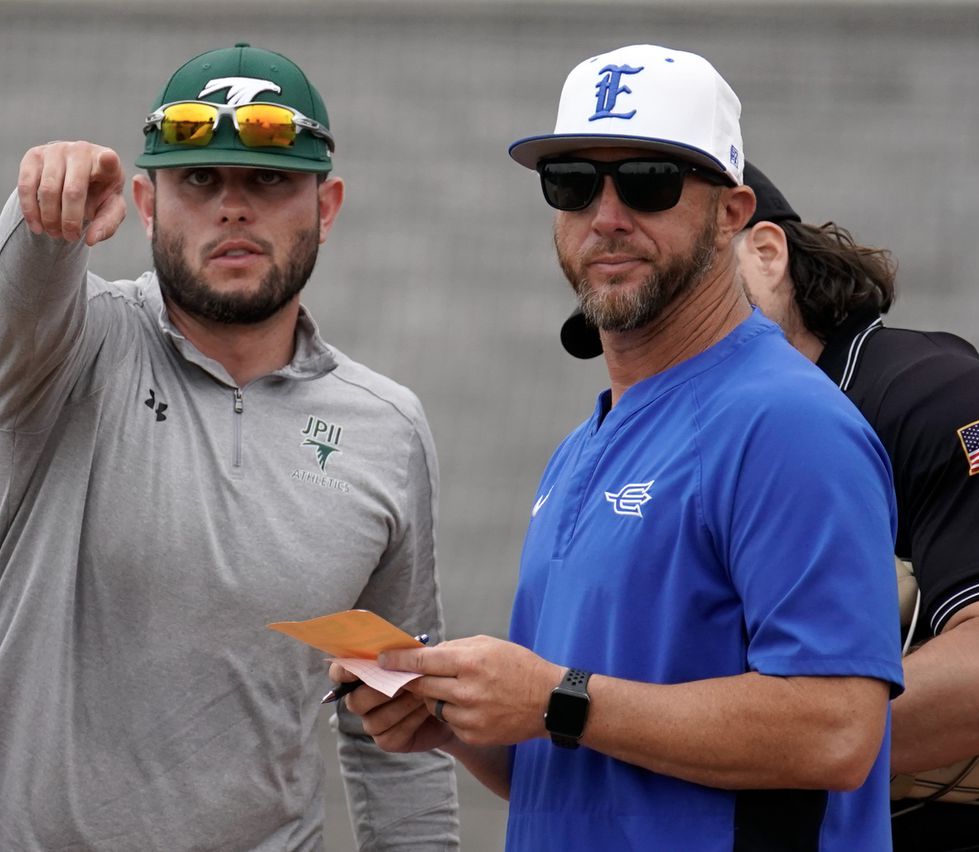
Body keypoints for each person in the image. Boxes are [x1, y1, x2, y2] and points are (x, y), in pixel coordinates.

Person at [334, 44, 904, 851]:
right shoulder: (581, 447)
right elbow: (574, 749)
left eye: (649, 182)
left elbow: (837, 732)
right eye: (572, 183)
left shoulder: (788, 423)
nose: (607, 214)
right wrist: (453, 716)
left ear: (733, 212)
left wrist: (554, 698)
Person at [0, 43, 458, 852]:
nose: (232, 208)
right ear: (145, 202)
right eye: (199, 180)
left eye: (269, 180)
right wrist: (43, 210)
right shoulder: (68, 355)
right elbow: (19, 298)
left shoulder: (386, 426)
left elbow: (399, 720)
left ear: (328, 206)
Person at [563, 163, 979, 852]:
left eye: (681, 299)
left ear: (766, 253)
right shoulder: (645, 445)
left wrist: (749, 741)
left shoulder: (936, 397)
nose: (651, 343)